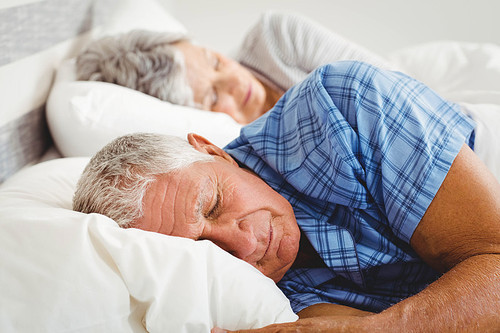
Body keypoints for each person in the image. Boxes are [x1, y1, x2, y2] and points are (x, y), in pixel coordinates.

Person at [73, 61, 500, 331]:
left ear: (212, 150)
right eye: (206, 251)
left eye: (214, 204)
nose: (244, 246)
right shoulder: (243, 293)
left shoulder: (339, 108)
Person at [75, 11, 391, 124]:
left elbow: (388, 88)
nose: (233, 79)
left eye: (213, 61)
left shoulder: (278, 37)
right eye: (212, 96)